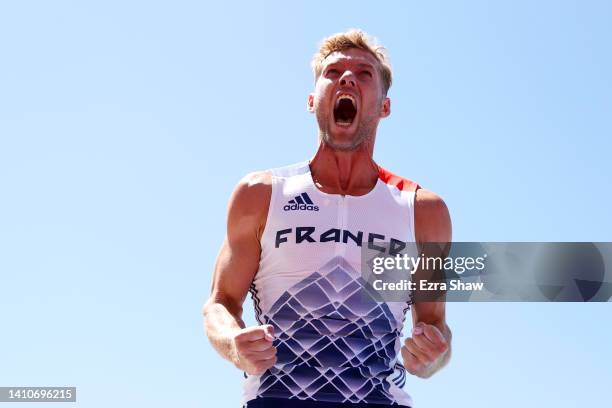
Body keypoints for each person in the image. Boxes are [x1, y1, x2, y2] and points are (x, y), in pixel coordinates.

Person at [203, 29, 452, 408]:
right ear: (311, 100)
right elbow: (220, 304)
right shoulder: (261, 194)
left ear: (384, 106)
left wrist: (434, 356)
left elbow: (435, 326)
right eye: (333, 73)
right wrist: (233, 345)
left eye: (364, 74)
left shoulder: (422, 211)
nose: (347, 78)